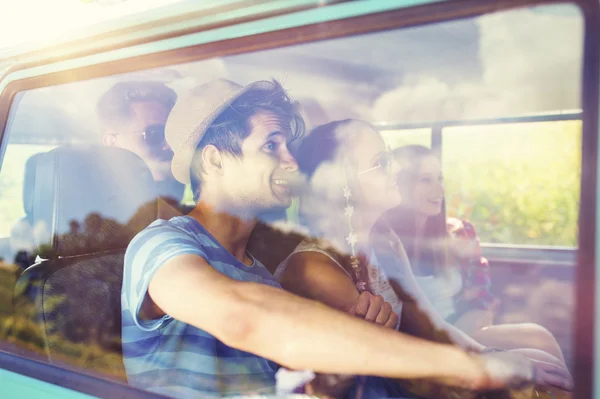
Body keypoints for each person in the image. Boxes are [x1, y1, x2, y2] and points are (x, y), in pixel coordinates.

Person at [121, 80, 562, 399]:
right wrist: (471, 368)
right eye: (271, 145)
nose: (291, 161)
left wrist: (338, 369)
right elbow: (244, 319)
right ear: (214, 161)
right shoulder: (160, 246)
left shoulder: (258, 272)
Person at [275, 119, 572, 397]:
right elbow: (382, 363)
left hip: (411, 374)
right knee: (531, 383)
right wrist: (488, 369)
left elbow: (429, 322)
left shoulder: (385, 239)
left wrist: (491, 354)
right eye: (383, 163)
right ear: (342, 184)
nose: (397, 170)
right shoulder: (315, 268)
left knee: (541, 363)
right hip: (390, 385)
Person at [381, 144, 566, 364]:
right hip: (421, 344)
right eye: (426, 180)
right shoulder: (384, 244)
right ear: (400, 185)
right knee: (539, 354)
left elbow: (482, 302)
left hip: (462, 332)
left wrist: (460, 337)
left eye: (440, 179)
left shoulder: (460, 232)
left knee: (541, 340)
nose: (439, 190)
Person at [97, 80, 185, 205]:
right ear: (112, 142)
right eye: (154, 134)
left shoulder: (191, 194)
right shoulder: (99, 209)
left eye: (172, 134)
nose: (169, 145)